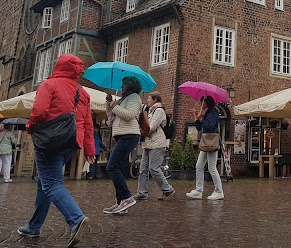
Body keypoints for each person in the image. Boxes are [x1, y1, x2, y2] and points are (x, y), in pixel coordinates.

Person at [17, 54, 95, 248]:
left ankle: (76, 219)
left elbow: (39, 111)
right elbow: (88, 123)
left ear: (58, 66)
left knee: (51, 183)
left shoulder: (49, 85)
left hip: (50, 140)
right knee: (44, 182)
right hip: (72, 142)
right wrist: (89, 149)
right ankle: (34, 226)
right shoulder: (83, 92)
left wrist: (30, 127)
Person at [103, 76, 142, 215]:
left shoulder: (134, 98)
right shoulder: (122, 99)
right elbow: (111, 116)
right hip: (121, 135)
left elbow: (129, 115)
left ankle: (126, 197)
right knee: (118, 167)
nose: (121, 87)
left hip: (129, 135)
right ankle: (121, 203)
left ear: (130, 86)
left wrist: (116, 106)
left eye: (124, 84)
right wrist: (109, 103)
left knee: (112, 166)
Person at [135, 91, 174, 201]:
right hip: (148, 143)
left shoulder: (159, 111)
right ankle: (142, 192)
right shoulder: (150, 111)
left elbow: (152, 127)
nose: (147, 100)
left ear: (155, 99)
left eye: (149, 98)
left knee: (154, 168)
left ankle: (167, 189)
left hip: (157, 143)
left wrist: (141, 129)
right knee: (143, 169)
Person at [186, 95, 224, 201]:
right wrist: (196, 117)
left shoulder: (213, 112)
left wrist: (202, 118)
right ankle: (198, 190)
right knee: (199, 166)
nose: (200, 104)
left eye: (202, 102)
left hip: (211, 142)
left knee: (211, 167)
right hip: (206, 142)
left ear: (206, 103)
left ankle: (219, 191)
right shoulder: (206, 112)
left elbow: (211, 126)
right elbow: (199, 128)